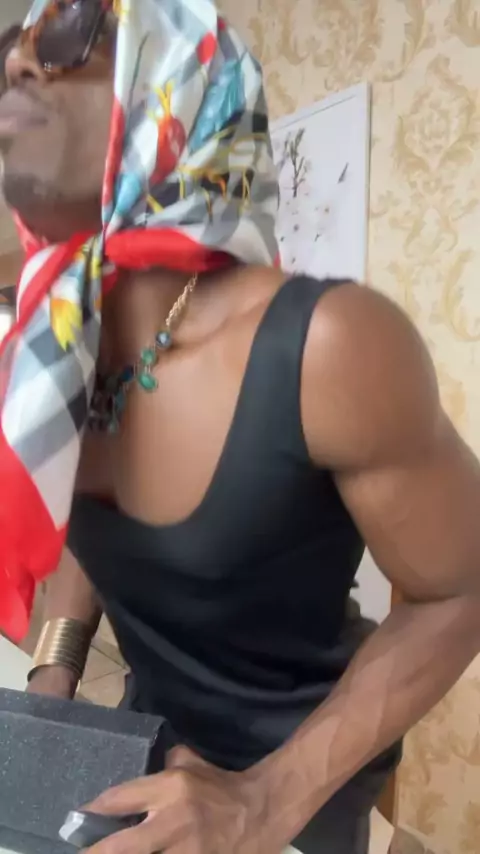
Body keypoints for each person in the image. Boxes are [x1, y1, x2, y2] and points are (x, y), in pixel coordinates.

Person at [0, 1, 480, 852]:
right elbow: (86, 514)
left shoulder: (330, 345)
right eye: (11, 45)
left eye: (70, 33)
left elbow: (461, 588)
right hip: (147, 736)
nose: (18, 64)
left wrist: (264, 801)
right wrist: (54, 677)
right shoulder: (56, 353)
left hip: (301, 780)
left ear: (176, 83)